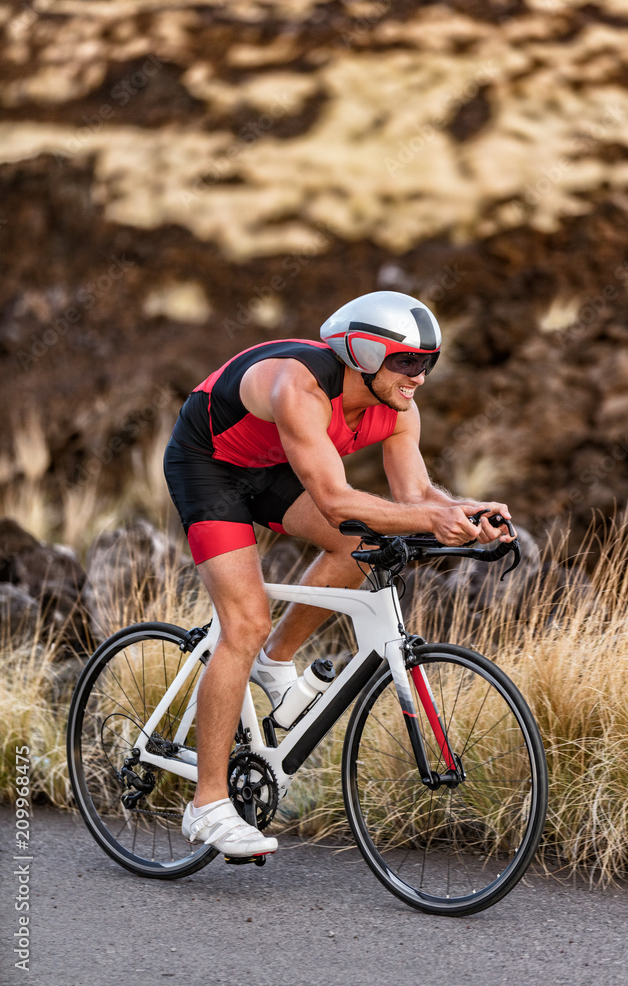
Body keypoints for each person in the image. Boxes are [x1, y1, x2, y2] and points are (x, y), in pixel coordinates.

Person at [163, 290, 512, 859]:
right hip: (209, 466)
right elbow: (332, 499)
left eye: (428, 362)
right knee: (244, 624)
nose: (418, 377)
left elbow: (417, 495)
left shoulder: (397, 407)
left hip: (273, 466)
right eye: (406, 362)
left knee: (363, 543)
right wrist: (431, 516)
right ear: (364, 354)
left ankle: (275, 666)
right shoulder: (298, 385)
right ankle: (207, 804)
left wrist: (467, 516)